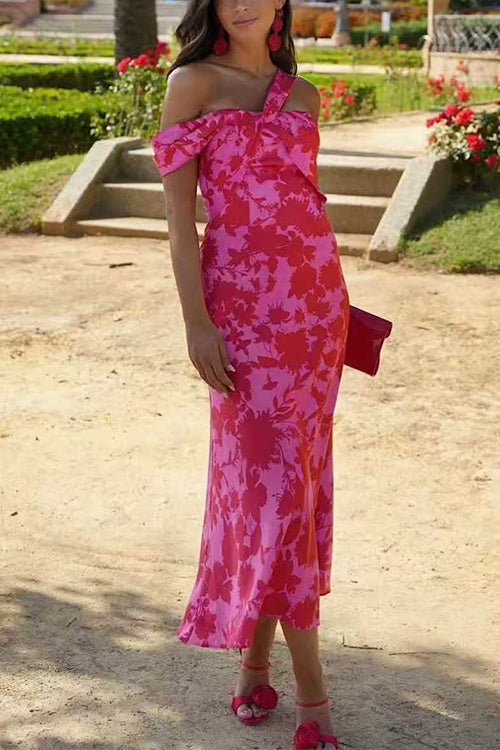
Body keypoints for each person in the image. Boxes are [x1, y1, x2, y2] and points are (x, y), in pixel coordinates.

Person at [150, 2, 350, 748]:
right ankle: (314, 700)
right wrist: (196, 321)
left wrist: (334, 303)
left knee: (293, 489)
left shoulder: (304, 95)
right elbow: (180, 222)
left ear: (280, 4)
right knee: (275, 490)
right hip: (240, 315)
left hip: (316, 309)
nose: (242, 2)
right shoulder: (193, 83)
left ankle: (255, 670)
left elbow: (304, 205)